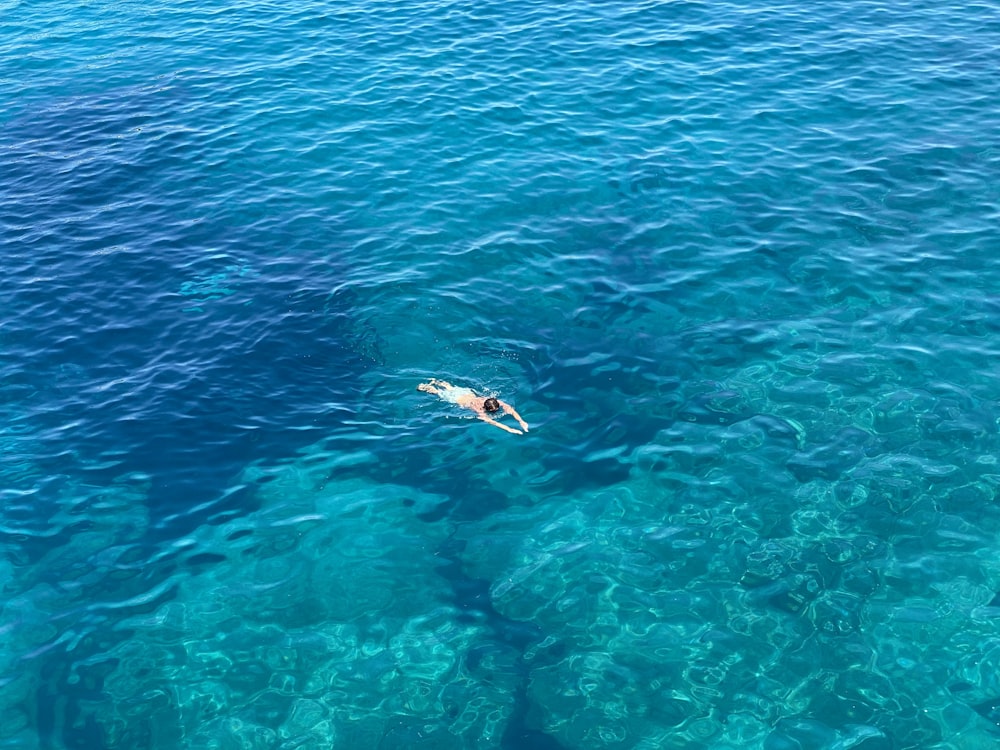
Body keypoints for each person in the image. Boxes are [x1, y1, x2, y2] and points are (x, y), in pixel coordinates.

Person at [417, 378, 529, 435]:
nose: (496, 410)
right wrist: (509, 429)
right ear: (486, 408)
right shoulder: (479, 410)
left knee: (450, 388)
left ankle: (435, 380)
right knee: (437, 392)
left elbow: (512, 411)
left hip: (465, 393)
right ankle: (423, 387)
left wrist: (521, 421)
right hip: (457, 399)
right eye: (494, 410)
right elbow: (493, 422)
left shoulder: (493, 401)